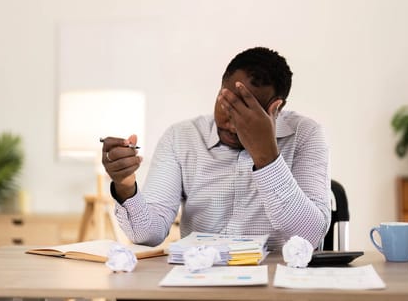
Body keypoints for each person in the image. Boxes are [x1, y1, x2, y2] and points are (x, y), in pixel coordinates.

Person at [101, 47, 331, 250]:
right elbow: (147, 235)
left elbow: (309, 236)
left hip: (276, 288)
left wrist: (266, 155)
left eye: (246, 112)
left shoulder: (305, 135)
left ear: (275, 108)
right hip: (199, 283)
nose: (232, 123)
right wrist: (125, 186)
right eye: (227, 104)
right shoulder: (180, 137)